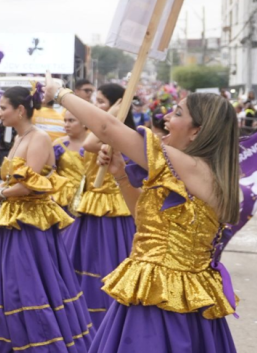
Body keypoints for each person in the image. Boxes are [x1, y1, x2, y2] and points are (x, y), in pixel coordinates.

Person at [45, 83, 240, 352]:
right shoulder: (197, 172)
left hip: (162, 301)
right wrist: (122, 175)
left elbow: (106, 129)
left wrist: (59, 93)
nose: (167, 118)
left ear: (197, 131)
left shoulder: (193, 168)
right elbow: (148, 224)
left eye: (178, 113)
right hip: (162, 291)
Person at [0, 86, 93, 352]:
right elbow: (13, 180)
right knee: (11, 284)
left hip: (32, 224)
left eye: (3, 107)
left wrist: (1, 193)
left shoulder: (39, 138)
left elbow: (30, 185)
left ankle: (42, 342)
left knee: (30, 285)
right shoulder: (20, 137)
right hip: (16, 219)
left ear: (20, 110)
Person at [62, 83, 137, 328]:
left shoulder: (127, 137)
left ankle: (110, 324)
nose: (97, 106)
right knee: (83, 265)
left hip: (116, 210)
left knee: (110, 265)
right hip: (92, 206)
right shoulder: (104, 135)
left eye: (102, 102)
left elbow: (90, 143)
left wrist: (115, 111)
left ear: (118, 107)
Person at [52, 109, 88, 215]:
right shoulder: (59, 143)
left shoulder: (94, 144)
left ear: (85, 123)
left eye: (71, 121)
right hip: (63, 199)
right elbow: (50, 171)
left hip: (87, 198)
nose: (66, 125)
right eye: (65, 121)